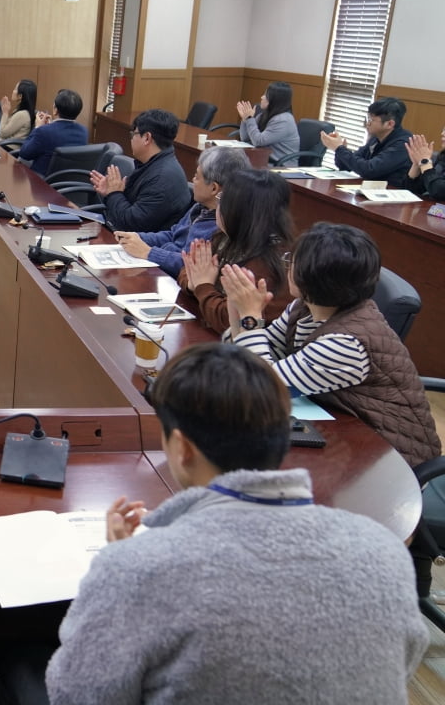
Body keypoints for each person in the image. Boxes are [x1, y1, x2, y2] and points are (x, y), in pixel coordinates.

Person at [23, 342, 429, 705]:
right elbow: (403, 663)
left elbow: (79, 695)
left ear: (181, 448)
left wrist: (120, 559)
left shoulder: (138, 568)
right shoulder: (384, 549)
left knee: (21, 666)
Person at [222, 221, 440, 467]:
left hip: (388, 462)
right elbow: (257, 355)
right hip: (339, 434)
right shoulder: (304, 307)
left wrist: (251, 317)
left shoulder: (347, 343)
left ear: (311, 278)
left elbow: (261, 387)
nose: (288, 267)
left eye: (292, 261)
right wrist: (237, 311)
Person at [179, 168, 294, 333]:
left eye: (222, 202)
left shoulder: (269, 264)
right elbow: (188, 269)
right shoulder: (225, 237)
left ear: (239, 212)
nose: (218, 208)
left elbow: (230, 323)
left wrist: (203, 286)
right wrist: (192, 283)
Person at [114, 145, 248, 277]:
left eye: (196, 177)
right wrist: (137, 238)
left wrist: (149, 252)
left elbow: (193, 265)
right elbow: (173, 234)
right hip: (165, 274)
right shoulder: (200, 207)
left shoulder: (222, 227)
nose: (192, 181)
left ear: (214, 188)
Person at [90, 108, 191, 232]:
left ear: (147, 138)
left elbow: (130, 225)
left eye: (133, 134)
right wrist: (110, 192)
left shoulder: (161, 179)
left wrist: (114, 194)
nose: (131, 139)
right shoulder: (153, 164)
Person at [321, 97, 413, 188]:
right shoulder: (376, 138)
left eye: (371, 120)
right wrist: (340, 150)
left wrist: (339, 148)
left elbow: (369, 169)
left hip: (392, 194)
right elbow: (347, 166)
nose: (367, 123)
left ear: (389, 124)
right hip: (370, 189)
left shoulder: (403, 144)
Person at [18, 89, 89, 175]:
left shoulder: (43, 131)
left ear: (55, 110)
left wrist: (37, 127)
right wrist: (50, 125)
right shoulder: (84, 131)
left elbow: (25, 153)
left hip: (42, 181)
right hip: (68, 180)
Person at [235, 80, 298, 163]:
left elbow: (258, 141)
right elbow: (245, 138)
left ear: (275, 99)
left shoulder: (284, 120)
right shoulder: (264, 114)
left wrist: (250, 119)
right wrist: (245, 119)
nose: (262, 97)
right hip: (262, 159)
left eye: (266, 95)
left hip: (280, 165)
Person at [405, 126, 445, 201]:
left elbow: (439, 191)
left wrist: (425, 163)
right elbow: (413, 190)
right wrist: (416, 165)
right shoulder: (442, 157)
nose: (442, 133)